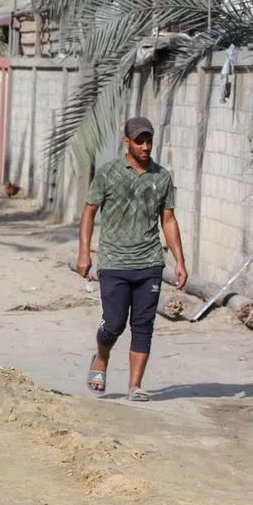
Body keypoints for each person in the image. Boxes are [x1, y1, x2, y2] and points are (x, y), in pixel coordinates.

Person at [77, 116, 187, 401]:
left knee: (143, 324)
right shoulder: (109, 173)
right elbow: (89, 211)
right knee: (113, 323)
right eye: (139, 141)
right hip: (113, 262)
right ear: (126, 142)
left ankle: (134, 386)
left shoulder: (161, 177)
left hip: (149, 263)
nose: (146, 146)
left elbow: (169, 220)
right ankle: (101, 358)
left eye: (149, 140)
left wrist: (180, 262)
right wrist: (83, 253)